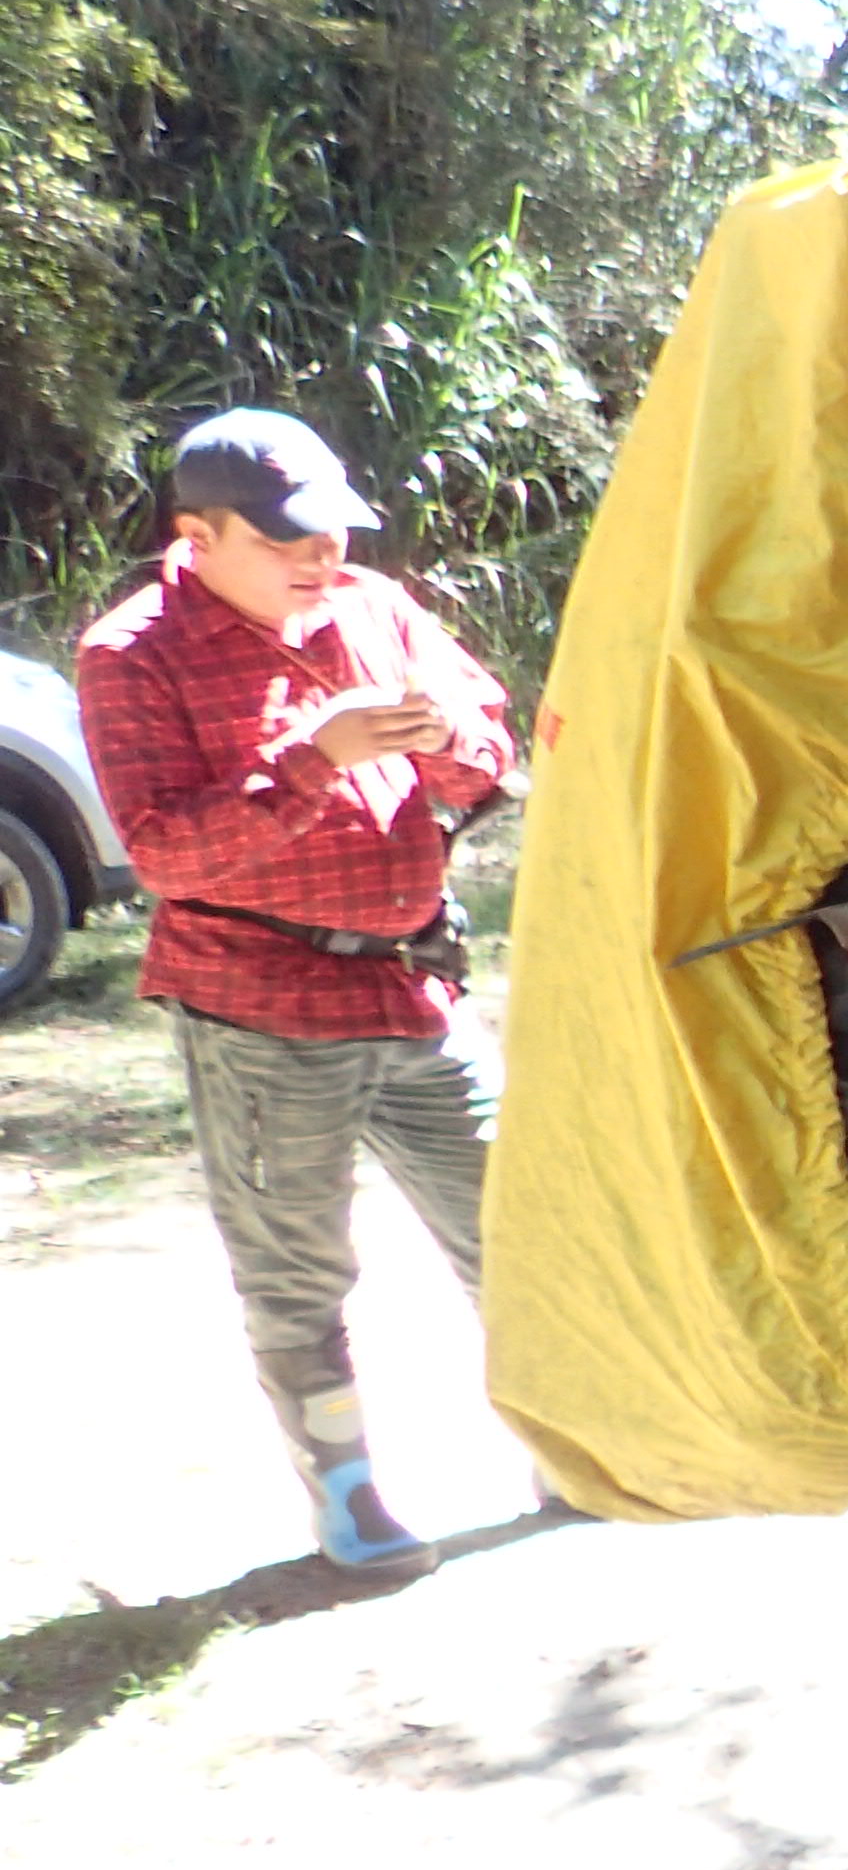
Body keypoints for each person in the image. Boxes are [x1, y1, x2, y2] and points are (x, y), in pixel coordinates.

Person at [75, 408, 521, 1574]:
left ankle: (571, 1445)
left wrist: (449, 741)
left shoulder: (373, 605)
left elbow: (491, 736)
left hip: (416, 985)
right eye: (287, 541)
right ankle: (350, 1494)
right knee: (298, 1270)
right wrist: (313, 760)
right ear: (197, 534)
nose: (321, 558)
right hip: (261, 1011)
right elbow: (165, 857)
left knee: (522, 1231)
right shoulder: (134, 654)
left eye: (331, 530)